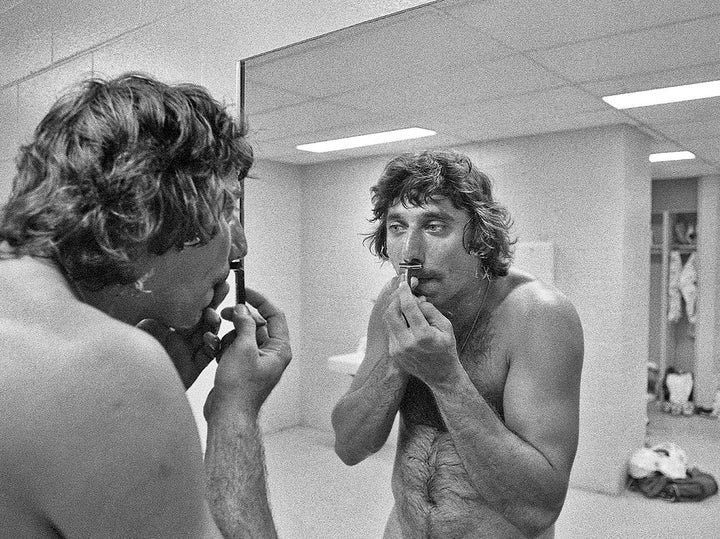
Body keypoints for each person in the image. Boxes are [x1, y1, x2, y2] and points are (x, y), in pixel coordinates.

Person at [0, 73, 291, 538]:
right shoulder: (103, 368)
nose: (239, 247)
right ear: (162, 200)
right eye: (229, 209)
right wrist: (235, 408)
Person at [331, 150, 584, 538]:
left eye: (434, 226)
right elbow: (349, 446)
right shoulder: (394, 301)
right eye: (397, 227)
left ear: (480, 236)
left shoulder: (539, 316)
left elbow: (539, 507)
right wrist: (399, 363)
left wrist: (446, 377)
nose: (410, 253)